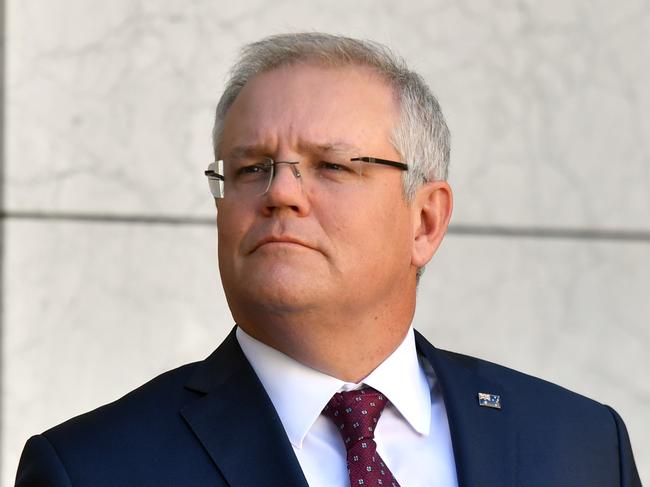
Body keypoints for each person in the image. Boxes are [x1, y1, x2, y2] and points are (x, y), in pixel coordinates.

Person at [15, 32, 641, 487]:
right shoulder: (92, 468)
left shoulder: (580, 444)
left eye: (333, 166)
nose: (280, 192)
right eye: (251, 168)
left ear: (424, 221)